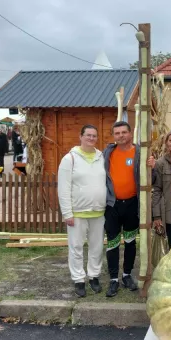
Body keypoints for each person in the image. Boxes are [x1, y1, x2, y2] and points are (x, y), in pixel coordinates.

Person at [58, 125, 107, 298]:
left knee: (96, 247)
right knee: (76, 247)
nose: (91, 138)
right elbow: (63, 188)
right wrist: (67, 213)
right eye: (88, 135)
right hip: (77, 213)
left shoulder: (101, 157)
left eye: (94, 136)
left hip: (98, 212)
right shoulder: (70, 159)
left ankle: (93, 276)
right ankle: (79, 279)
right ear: (81, 136)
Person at [103, 121, 139, 297]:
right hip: (112, 205)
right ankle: (113, 279)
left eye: (124, 132)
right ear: (113, 136)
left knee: (131, 241)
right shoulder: (108, 153)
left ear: (130, 133)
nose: (120, 136)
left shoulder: (139, 152)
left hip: (132, 203)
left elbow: (152, 177)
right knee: (113, 241)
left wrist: (152, 165)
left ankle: (126, 274)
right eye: (117, 133)